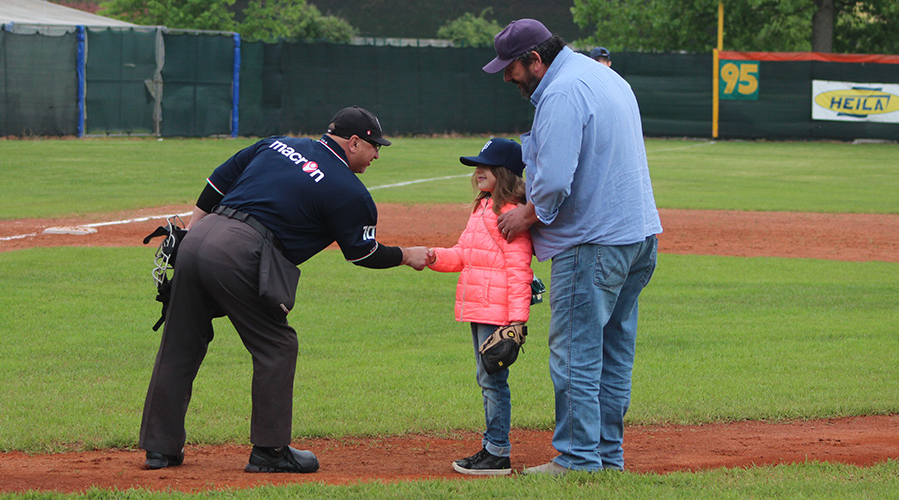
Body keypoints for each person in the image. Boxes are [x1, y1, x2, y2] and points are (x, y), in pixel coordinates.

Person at [138, 106, 430, 473]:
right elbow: (364, 254)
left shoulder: (276, 144)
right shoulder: (349, 191)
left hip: (198, 239)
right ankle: (269, 451)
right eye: (375, 147)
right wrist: (408, 255)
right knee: (277, 345)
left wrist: (192, 236)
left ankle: (159, 450)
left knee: (180, 343)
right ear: (353, 142)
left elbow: (215, 184)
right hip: (240, 251)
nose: (376, 155)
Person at [483, 19, 663, 475]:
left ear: (536, 60)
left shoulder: (561, 92)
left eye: (512, 68)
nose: (507, 77)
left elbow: (557, 181)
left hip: (592, 242)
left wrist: (525, 215)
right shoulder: (603, 75)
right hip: (638, 238)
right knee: (613, 354)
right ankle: (606, 455)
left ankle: (579, 460)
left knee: (576, 355)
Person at [424, 138, 533, 476]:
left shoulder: (511, 214)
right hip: (478, 307)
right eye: (477, 165)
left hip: (497, 313)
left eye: (486, 165)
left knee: (492, 381)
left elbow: (519, 271)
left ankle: (497, 452)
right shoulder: (483, 207)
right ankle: (492, 448)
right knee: (487, 378)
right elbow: (464, 255)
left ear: (505, 173)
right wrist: (431, 257)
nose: (478, 170)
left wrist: (516, 321)